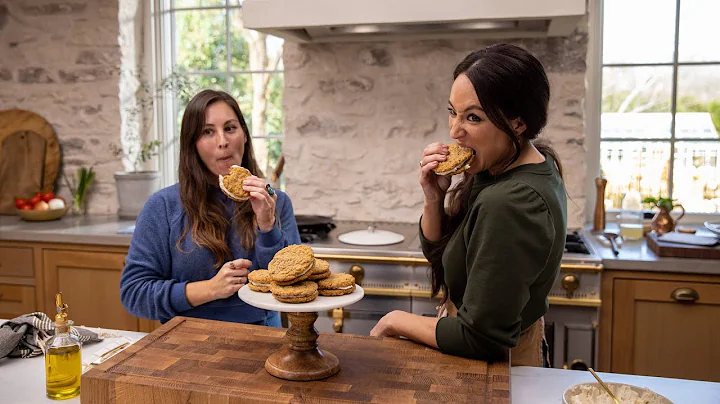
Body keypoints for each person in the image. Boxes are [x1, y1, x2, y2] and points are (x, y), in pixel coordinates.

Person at [370, 44, 567, 367]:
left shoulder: (509, 201)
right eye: (452, 112)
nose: (454, 131)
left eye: (473, 117)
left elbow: (481, 338)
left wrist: (394, 319)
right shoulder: (502, 169)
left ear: (518, 123)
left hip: (498, 370)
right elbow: (442, 256)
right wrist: (434, 198)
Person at [120, 89, 300, 327]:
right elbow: (134, 294)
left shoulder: (277, 202)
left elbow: (296, 286)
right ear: (192, 144)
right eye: (207, 132)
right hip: (185, 343)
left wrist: (267, 227)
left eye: (230, 128)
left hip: (264, 340)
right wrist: (210, 289)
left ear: (244, 135)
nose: (222, 142)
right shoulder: (162, 207)